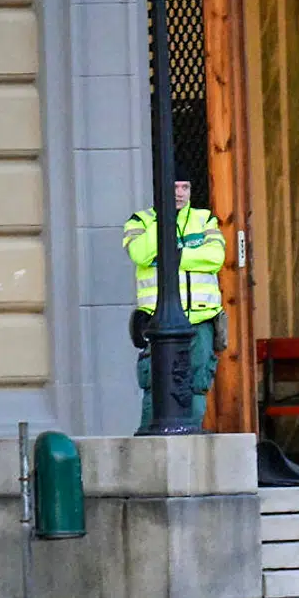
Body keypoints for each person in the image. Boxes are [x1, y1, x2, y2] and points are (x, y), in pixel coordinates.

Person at [122, 171, 228, 432]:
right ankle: (148, 446)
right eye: (173, 187)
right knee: (155, 384)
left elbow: (215, 257)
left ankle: (190, 442)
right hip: (158, 322)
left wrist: (172, 257)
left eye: (185, 187)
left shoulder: (204, 219)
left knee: (196, 383)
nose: (179, 193)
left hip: (200, 319)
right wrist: (165, 220)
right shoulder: (141, 221)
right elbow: (141, 254)